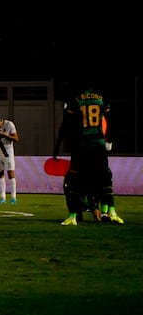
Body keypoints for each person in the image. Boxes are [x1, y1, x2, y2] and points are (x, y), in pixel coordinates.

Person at [54, 87, 122, 225]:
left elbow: (65, 125)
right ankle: (111, 212)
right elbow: (111, 120)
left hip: (81, 145)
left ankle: (73, 216)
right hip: (98, 144)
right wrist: (109, 140)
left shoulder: (75, 99)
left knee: (72, 181)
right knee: (105, 178)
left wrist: (57, 146)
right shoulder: (101, 98)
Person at [0, 115, 19, 205]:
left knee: (10, 172)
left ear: (1, 121)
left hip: (7, 152)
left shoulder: (9, 124)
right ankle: (2, 198)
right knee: (0, 174)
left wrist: (4, 135)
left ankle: (13, 198)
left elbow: (16, 138)